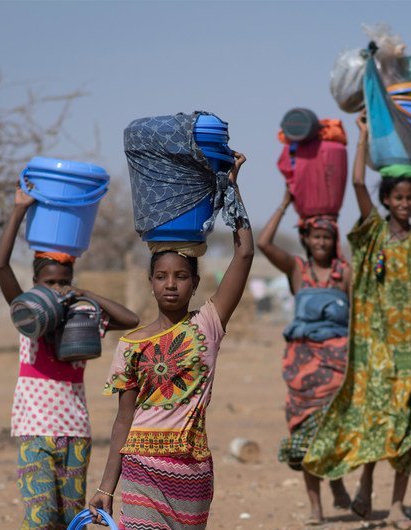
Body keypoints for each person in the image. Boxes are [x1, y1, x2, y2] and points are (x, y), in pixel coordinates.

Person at [303, 115, 411, 530]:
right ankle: (364, 487)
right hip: (373, 344)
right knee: (374, 417)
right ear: (388, 198)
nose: (405, 203)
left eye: (410, 198)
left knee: (406, 422)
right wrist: (362, 137)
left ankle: (396, 504)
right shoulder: (372, 232)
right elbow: (359, 185)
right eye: (397, 196)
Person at [88, 152, 253, 530]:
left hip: (192, 477)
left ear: (195, 284)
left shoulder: (209, 323)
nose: (171, 284)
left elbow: (245, 253)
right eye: (161, 276)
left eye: (181, 276)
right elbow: (123, 419)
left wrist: (231, 190)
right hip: (140, 471)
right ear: (150, 282)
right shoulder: (130, 345)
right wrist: (105, 488)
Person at [0, 187, 140, 530]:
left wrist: (84, 295)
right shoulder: (29, 317)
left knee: (69, 521)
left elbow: (130, 319)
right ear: (35, 285)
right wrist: (18, 211)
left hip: (76, 432)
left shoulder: (81, 320)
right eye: (50, 283)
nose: (58, 289)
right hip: (35, 432)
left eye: (64, 283)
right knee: (40, 518)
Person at [257, 190, 354, 524]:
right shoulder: (297, 270)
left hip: (337, 366)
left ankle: (338, 481)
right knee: (303, 436)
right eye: (316, 236)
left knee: (332, 430)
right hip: (301, 368)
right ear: (307, 239)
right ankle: (316, 506)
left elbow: (359, 317)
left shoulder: (346, 274)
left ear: (334, 240)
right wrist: (284, 203)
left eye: (327, 237)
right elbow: (264, 243)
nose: (322, 242)